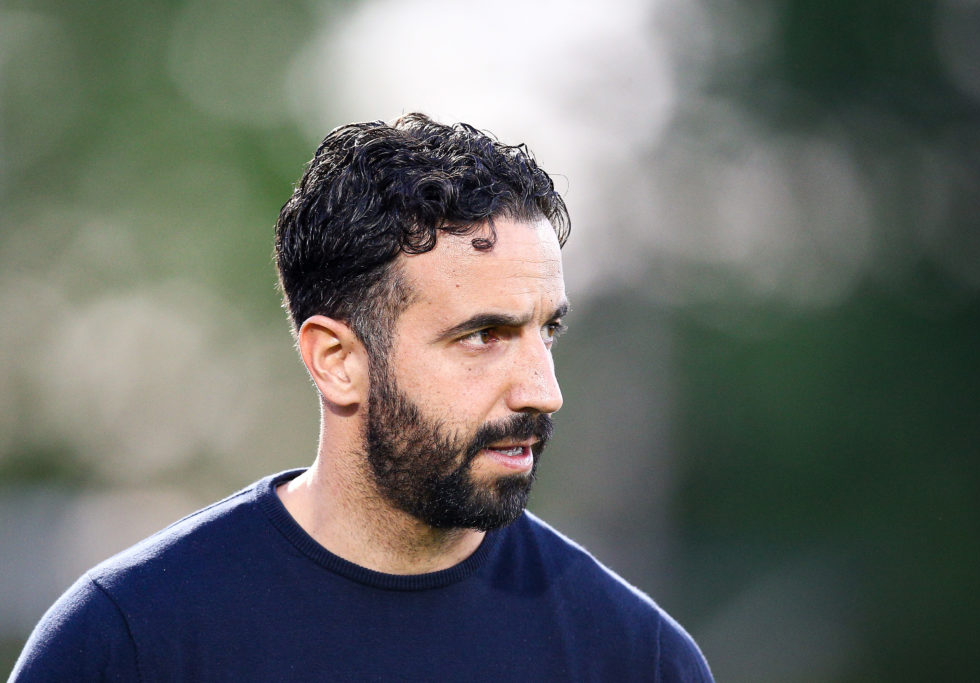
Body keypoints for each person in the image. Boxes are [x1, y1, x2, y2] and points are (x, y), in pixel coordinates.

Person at [11, 114, 713, 681]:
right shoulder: (128, 641)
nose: (543, 390)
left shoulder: (635, 656)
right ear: (337, 360)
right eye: (482, 335)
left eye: (546, 331)